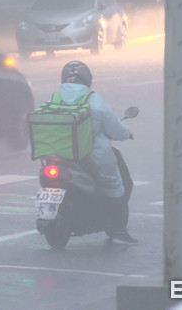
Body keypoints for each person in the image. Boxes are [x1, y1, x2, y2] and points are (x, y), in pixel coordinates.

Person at [56, 60, 137, 244]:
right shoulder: (94, 100)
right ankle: (118, 232)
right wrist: (126, 134)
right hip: (92, 155)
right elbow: (115, 127)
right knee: (115, 186)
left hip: (60, 154)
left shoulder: (55, 98)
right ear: (87, 80)